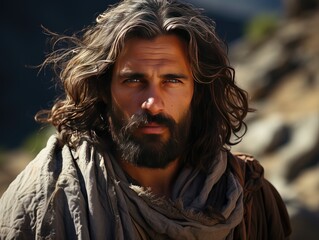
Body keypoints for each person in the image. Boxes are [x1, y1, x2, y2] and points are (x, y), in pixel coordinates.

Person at [0, 0, 291, 239]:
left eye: (172, 80)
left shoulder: (248, 198)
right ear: (103, 89)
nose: (152, 103)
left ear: (198, 92)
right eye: (134, 81)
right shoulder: (45, 196)